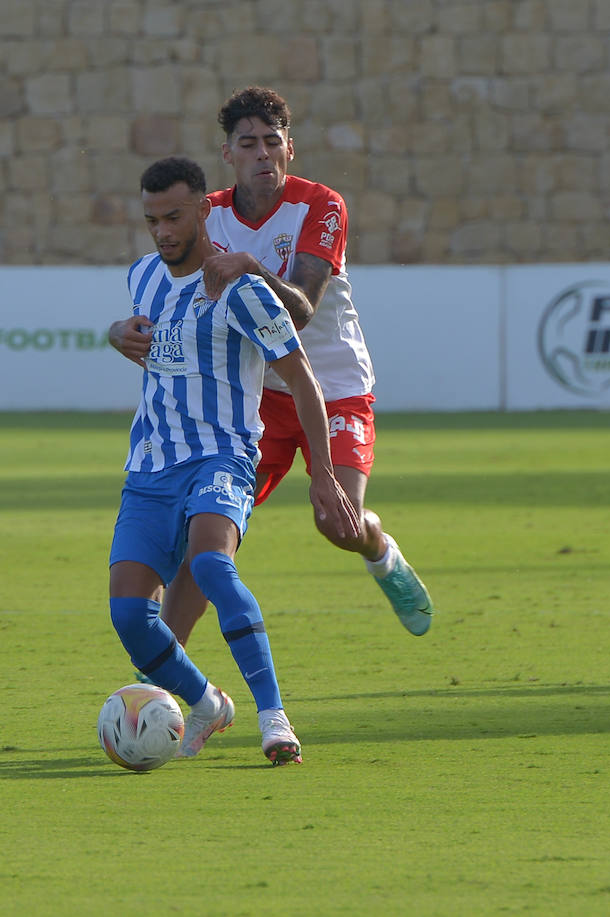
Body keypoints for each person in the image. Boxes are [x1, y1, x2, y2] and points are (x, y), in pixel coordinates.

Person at [110, 85, 435, 645]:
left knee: (339, 521)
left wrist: (250, 267)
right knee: (203, 538)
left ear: (290, 148)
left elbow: (304, 307)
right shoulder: (205, 212)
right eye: (248, 143)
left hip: (330, 386)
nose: (262, 153)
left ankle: (381, 554)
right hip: (252, 400)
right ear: (227, 155)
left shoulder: (320, 206)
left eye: (271, 141)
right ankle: (163, 676)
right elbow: (165, 284)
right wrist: (118, 328)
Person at [108, 156, 360, 765]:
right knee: (130, 619)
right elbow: (140, 336)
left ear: (202, 210)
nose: (163, 231)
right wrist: (115, 332)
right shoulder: (142, 277)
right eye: (151, 220)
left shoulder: (240, 289)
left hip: (222, 455)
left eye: (173, 216)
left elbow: (302, 380)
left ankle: (274, 718)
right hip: (150, 466)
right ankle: (206, 703)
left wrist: (323, 475)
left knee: (213, 567)